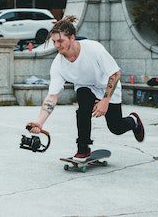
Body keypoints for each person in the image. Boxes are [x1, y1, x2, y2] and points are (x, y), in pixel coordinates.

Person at [26, 15, 145, 161]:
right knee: (83, 109)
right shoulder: (58, 64)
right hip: (85, 86)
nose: (57, 45)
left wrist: (105, 100)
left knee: (116, 128)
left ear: (72, 38)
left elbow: (115, 73)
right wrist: (40, 122)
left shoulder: (94, 49)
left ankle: (133, 121)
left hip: (107, 85)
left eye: (60, 41)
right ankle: (83, 148)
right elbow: (52, 97)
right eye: (54, 41)